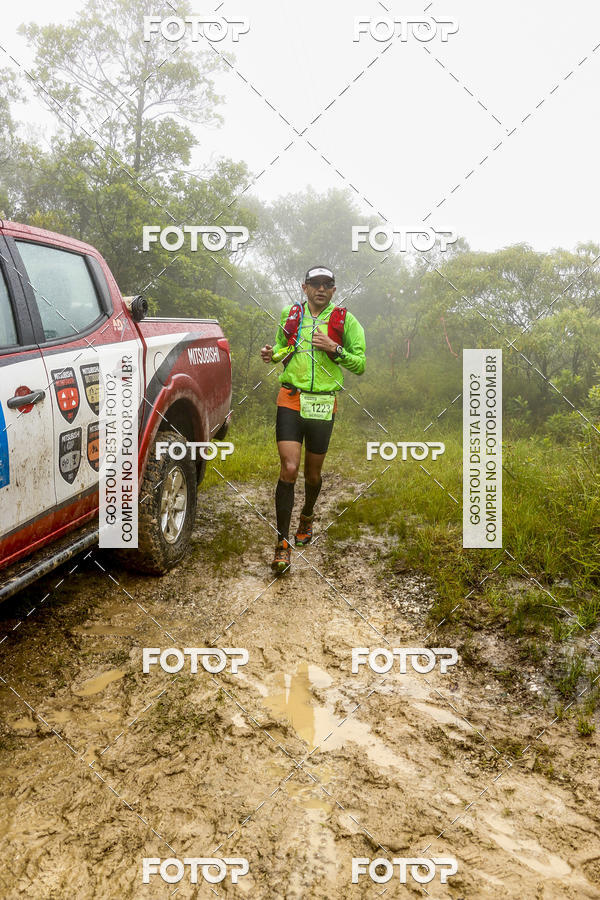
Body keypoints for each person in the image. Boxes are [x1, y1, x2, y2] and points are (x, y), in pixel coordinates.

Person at [260, 265, 366, 574]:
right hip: (291, 398)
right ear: (304, 287)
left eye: (327, 284)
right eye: (315, 283)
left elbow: (359, 364)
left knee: (313, 475)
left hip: (323, 402)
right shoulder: (290, 315)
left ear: (334, 290)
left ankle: (307, 515)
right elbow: (283, 346)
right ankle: (282, 544)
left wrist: (336, 349)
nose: (320, 288)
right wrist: (272, 353)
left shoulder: (345, 321)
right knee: (289, 468)